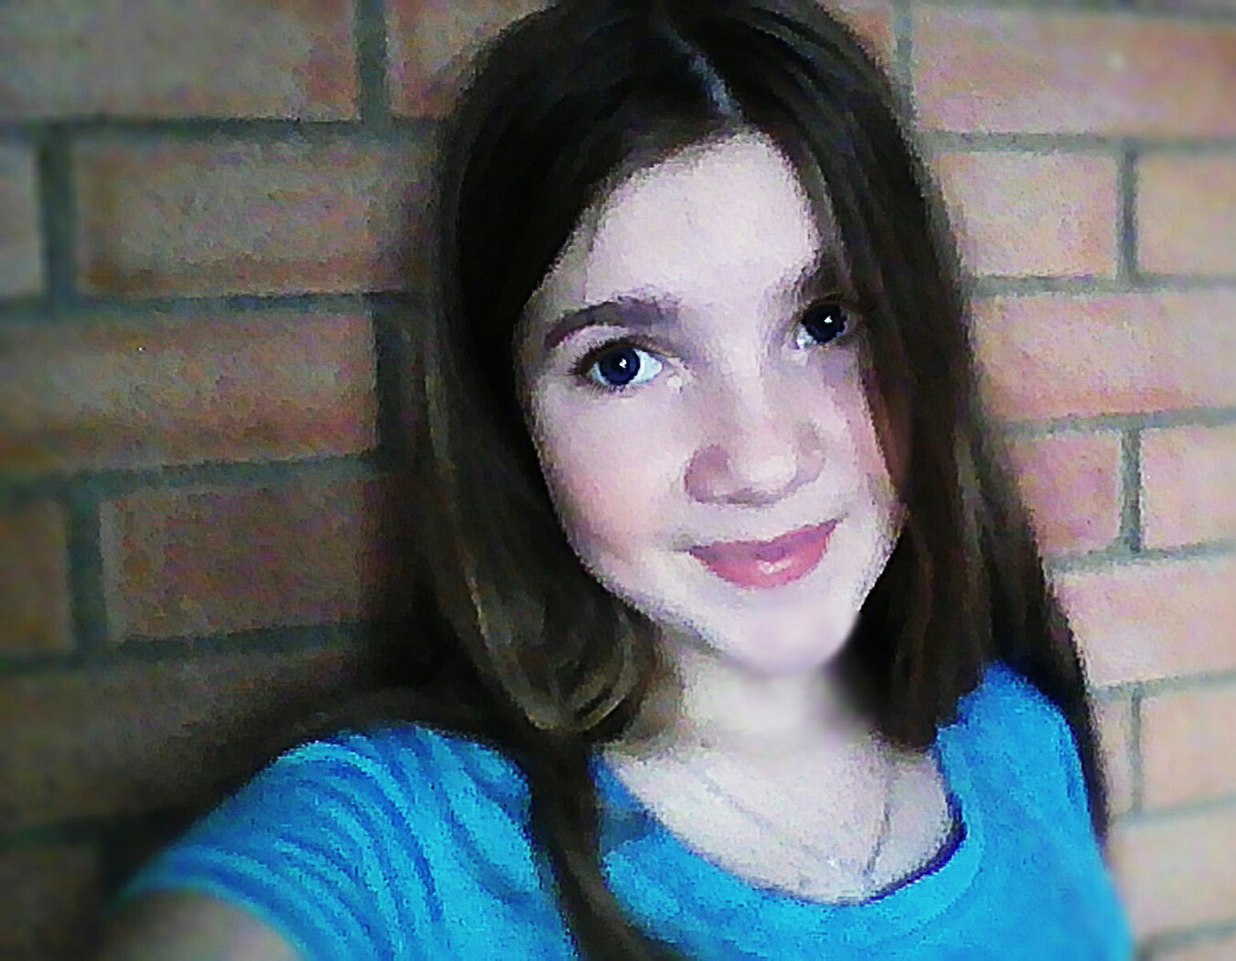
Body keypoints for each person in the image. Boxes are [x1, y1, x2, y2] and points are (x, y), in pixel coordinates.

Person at [98, 1, 1134, 958]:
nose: (760, 460)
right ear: (511, 419)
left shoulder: (1021, 739)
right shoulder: (394, 853)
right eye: (625, 361)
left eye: (827, 322)